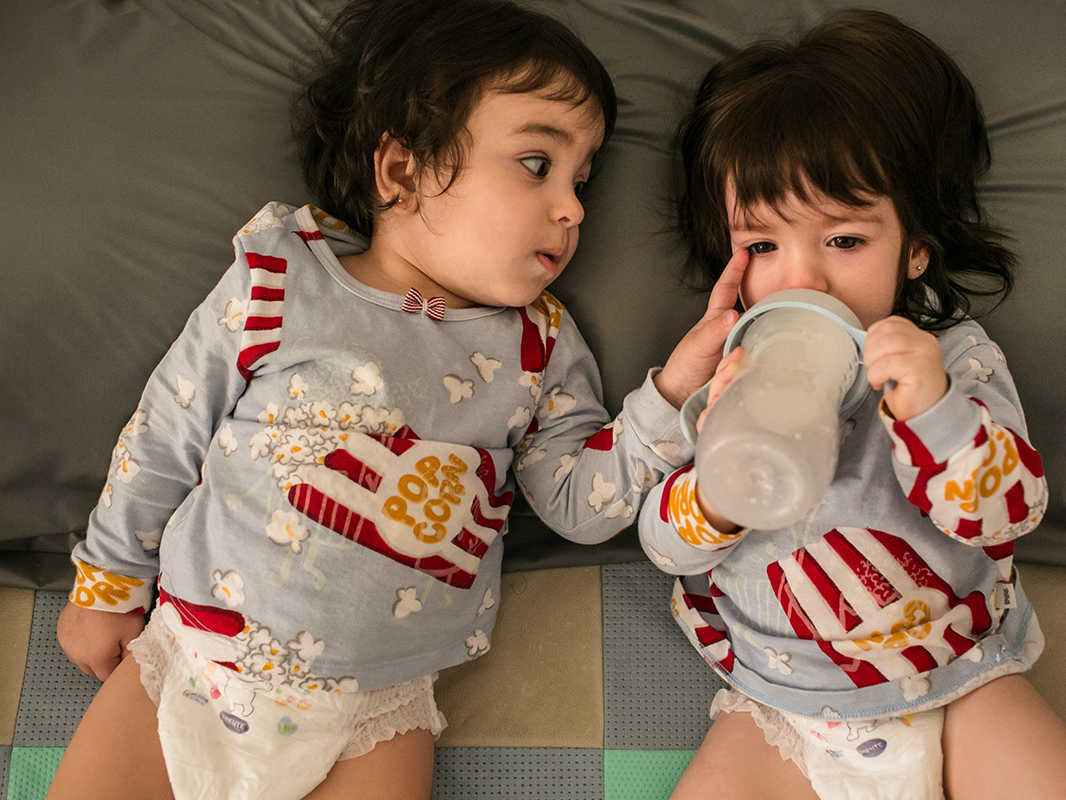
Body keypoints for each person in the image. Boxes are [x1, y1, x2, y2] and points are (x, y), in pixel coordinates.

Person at [47, 1, 740, 797]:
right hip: (195, 656)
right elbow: (166, 431)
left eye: (584, 180)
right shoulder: (282, 279)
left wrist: (673, 394)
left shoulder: (542, 348)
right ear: (401, 170)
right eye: (538, 164)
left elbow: (583, 507)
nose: (575, 208)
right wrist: (107, 582)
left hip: (376, 714)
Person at [638, 10, 1066, 800]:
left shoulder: (952, 361)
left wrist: (933, 410)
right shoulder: (728, 372)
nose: (805, 281)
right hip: (779, 702)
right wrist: (714, 496)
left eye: (843, 241)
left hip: (962, 672)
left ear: (916, 249)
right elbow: (667, 545)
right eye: (763, 246)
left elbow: (1008, 513)